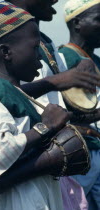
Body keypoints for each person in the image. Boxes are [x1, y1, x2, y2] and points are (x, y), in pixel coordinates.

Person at [0, 2, 73, 210]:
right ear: (6, 52)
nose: (40, 56)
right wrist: (45, 127)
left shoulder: (14, 94)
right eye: (34, 47)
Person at [58, 0, 100, 209]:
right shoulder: (64, 57)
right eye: (99, 19)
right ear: (77, 23)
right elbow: (60, 111)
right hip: (79, 152)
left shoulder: (96, 61)